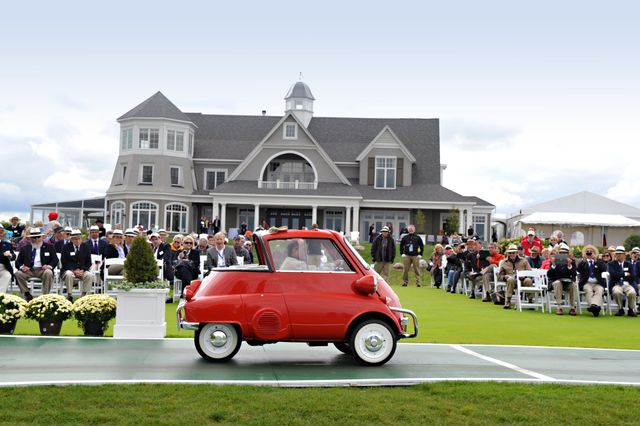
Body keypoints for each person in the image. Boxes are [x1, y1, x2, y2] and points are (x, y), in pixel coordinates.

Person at [14, 228, 58, 301]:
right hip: (29, 270)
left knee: (49, 272)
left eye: (38, 237)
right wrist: (22, 267)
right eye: (34, 237)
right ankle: (27, 294)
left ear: (41, 237)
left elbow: (55, 259)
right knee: (18, 274)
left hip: (42, 270)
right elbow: (17, 262)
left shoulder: (49, 247)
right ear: (30, 238)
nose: (36, 239)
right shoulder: (24, 248)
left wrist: (49, 266)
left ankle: (45, 296)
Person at [60, 229, 93, 301]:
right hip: (69, 270)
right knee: (69, 274)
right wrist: (74, 270)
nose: (77, 241)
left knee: (89, 275)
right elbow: (64, 262)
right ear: (71, 239)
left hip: (82, 270)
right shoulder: (65, 247)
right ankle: (69, 295)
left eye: (79, 239)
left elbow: (88, 262)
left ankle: (83, 295)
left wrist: (82, 270)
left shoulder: (86, 247)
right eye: (75, 239)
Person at [497, 244, 532, 309]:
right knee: (510, 280)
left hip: (522, 280)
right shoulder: (504, 262)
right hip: (512, 281)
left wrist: (524, 276)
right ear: (508, 253)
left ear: (516, 253)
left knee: (528, 280)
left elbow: (530, 272)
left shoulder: (524, 260)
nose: (512, 254)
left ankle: (530, 300)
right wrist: (505, 277)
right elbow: (499, 276)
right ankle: (508, 301)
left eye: (513, 252)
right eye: (510, 253)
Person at [547, 244, 577, 316]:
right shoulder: (555, 261)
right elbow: (549, 274)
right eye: (561, 253)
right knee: (558, 283)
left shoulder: (572, 262)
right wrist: (553, 264)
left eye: (565, 253)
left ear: (568, 254)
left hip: (567, 283)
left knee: (573, 285)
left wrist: (569, 265)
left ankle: (572, 307)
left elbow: (574, 274)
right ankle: (559, 306)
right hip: (556, 282)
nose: (563, 254)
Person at [576, 245, 607, 317]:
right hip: (587, 282)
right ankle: (596, 307)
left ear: (594, 253)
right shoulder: (583, 262)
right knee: (588, 290)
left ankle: (593, 306)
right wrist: (584, 260)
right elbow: (579, 270)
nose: (589, 253)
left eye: (591, 252)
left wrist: (595, 260)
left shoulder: (599, 261)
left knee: (600, 290)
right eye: (587, 252)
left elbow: (604, 268)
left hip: (597, 283)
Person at [607, 246, 637, 317]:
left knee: (632, 292)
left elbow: (632, 276)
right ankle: (620, 309)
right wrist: (625, 274)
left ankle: (630, 309)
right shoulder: (611, 264)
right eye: (617, 253)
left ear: (624, 255)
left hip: (627, 284)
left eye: (620, 254)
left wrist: (621, 276)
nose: (618, 255)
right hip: (616, 284)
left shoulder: (629, 264)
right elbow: (613, 274)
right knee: (616, 292)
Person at [0, 225, 16, 293]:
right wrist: (3, 255)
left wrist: (10, 255)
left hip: (4, 268)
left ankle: (1, 296)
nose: (0, 234)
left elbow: (14, 256)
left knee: (7, 275)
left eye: (1, 232)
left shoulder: (7, 244)